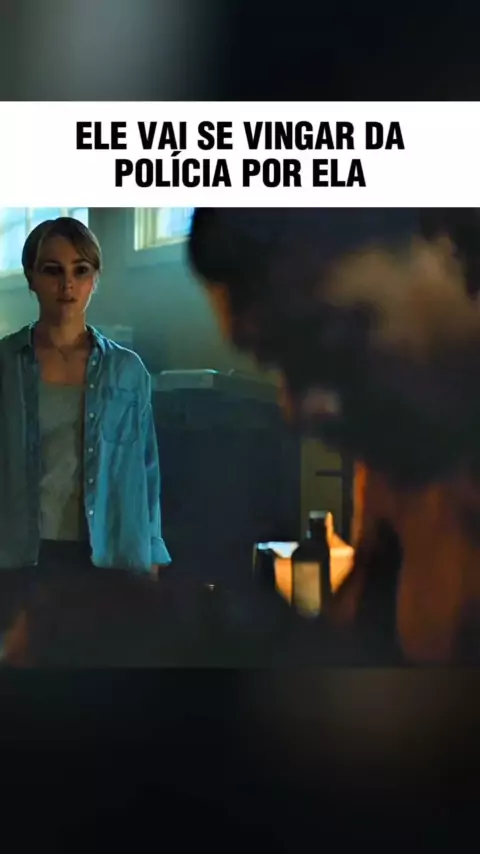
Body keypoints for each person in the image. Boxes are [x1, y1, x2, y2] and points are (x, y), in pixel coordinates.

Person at [188, 208, 480, 664]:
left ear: (447, 242)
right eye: (275, 362)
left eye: (329, 340)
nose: (298, 410)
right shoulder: (410, 448)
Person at [0, 216, 170, 631]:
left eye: (80, 271)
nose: (67, 285)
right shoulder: (5, 364)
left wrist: (151, 551)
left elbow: (147, 470)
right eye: (52, 270)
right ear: (31, 278)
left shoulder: (127, 371)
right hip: (21, 557)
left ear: (95, 280)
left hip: (107, 556)